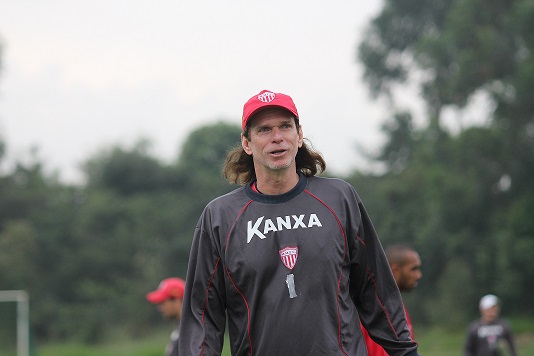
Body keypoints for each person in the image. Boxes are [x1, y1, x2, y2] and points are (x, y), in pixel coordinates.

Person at [178, 89, 420, 355]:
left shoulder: (339, 198)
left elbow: (377, 290)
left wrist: (406, 352)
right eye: (264, 130)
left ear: (299, 134)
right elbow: (202, 316)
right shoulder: (220, 217)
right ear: (246, 143)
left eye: (285, 126)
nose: (277, 137)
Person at [362, 244, 422, 355]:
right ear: (395, 270)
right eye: (413, 269)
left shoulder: (398, 307)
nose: (418, 275)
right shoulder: (376, 307)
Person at [147, 277, 186, 356]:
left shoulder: (190, 332)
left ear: (176, 300)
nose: (159, 308)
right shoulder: (180, 329)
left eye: (162, 303)